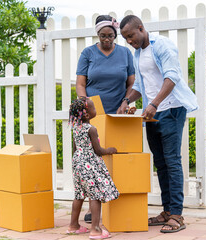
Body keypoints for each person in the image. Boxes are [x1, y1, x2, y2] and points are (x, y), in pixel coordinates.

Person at [119, 15, 198, 233]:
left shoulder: (162, 45)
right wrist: (126, 101)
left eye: (131, 36)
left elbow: (171, 77)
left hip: (171, 109)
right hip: (152, 113)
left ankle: (177, 215)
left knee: (172, 161)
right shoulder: (138, 53)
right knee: (161, 163)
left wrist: (154, 103)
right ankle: (166, 211)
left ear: (141, 29)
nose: (129, 41)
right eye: (126, 38)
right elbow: (141, 87)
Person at [76, 14, 135, 223]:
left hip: (117, 115)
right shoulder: (88, 53)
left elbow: (132, 83)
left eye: (110, 36)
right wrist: (85, 106)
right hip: (95, 116)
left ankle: (117, 205)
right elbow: (81, 83)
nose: (107, 40)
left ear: (115, 35)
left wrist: (126, 101)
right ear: (97, 34)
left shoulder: (125, 54)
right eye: (103, 36)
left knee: (116, 159)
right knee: (94, 163)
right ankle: (95, 208)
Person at [66, 97, 119, 239]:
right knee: (95, 195)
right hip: (89, 164)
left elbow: (75, 149)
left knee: (79, 194)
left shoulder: (75, 128)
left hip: (77, 163)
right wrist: (110, 150)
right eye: (94, 107)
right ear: (88, 115)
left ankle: (73, 225)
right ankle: (95, 229)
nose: (96, 109)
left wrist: (78, 164)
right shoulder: (91, 129)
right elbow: (98, 150)